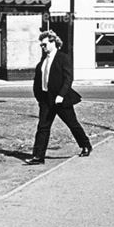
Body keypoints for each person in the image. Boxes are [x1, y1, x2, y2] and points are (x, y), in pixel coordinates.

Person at [28, 30, 92, 164]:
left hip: (60, 100)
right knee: (42, 127)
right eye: (41, 45)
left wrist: (61, 95)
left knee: (72, 124)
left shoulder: (63, 58)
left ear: (53, 42)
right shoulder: (43, 60)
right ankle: (38, 157)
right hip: (46, 100)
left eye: (44, 44)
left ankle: (86, 145)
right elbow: (39, 79)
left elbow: (68, 79)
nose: (43, 47)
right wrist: (39, 97)